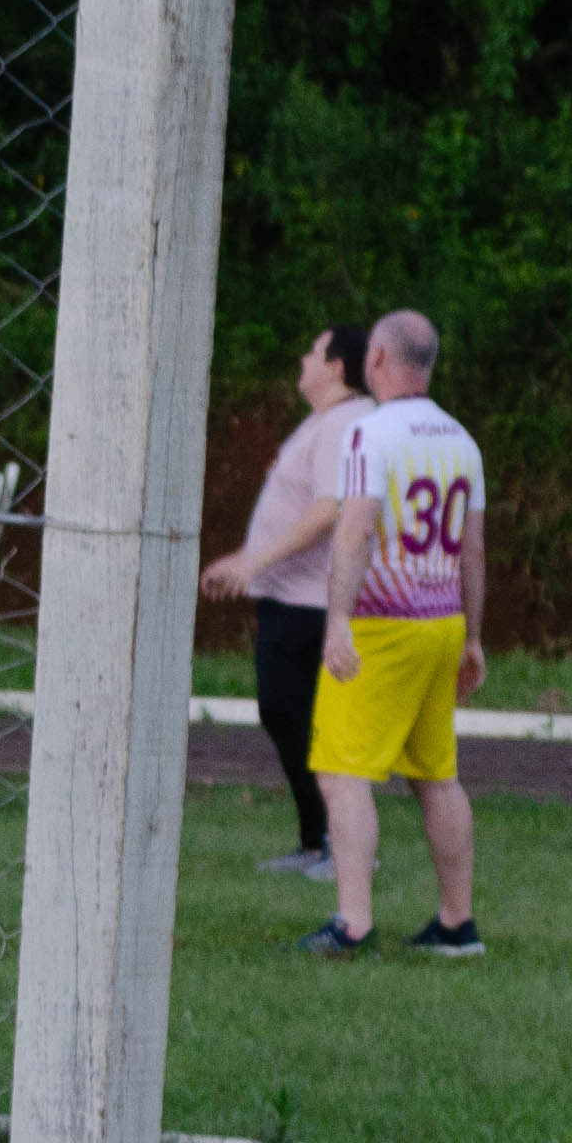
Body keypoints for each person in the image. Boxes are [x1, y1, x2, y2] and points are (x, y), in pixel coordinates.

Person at [299, 310, 487, 961]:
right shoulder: (462, 440)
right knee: (437, 775)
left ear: (376, 358)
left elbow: (355, 532)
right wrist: (473, 638)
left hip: (385, 624)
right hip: (443, 622)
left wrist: (337, 621)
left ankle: (352, 922)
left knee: (343, 769)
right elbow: (472, 550)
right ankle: (457, 923)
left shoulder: (370, 434)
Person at [196, 323, 369, 882]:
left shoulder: (344, 422)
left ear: (336, 367)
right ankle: (316, 841)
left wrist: (254, 564)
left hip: (312, 603)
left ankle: (343, 847)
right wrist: (247, 560)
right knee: (284, 714)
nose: (303, 358)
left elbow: (330, 510)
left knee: (310, 724)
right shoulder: (322, 422)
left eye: (314, 352)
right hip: (287, 599)